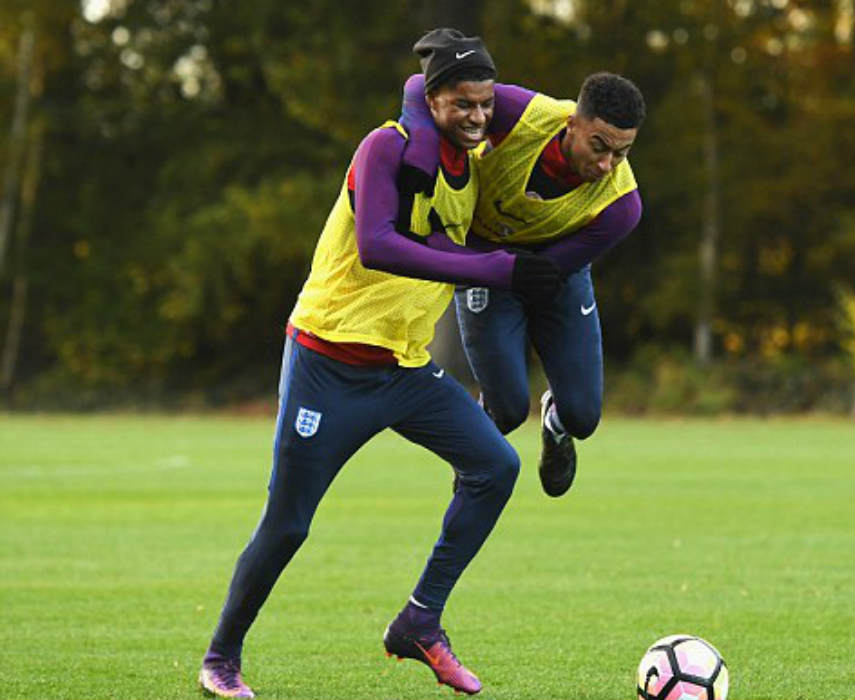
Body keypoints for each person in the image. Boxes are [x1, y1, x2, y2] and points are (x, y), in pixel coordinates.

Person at [197, 29, 560, 699]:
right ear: (432, 98)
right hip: (325, 364)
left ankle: (421, 620)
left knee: (496, 466)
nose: (477, 116)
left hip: (404, 371)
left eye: (485, 103)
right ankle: (221, 658)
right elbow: (378, 246)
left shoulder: (471, 166)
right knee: (288, 525)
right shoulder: (384, 147)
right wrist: (493, 269)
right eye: (461, 103)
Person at [400, 70, 645, 498]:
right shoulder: (522, 115)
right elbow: (419, 86)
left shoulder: (621, 207)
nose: (607, 166)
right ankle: (477, 459)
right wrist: (422, 146)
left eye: (621, 154)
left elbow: (546, 274)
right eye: (599, 147)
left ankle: (554, 421)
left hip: (554, 269)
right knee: (508, 409)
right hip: (487, 261)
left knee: (583, 416)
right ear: (572, 123)